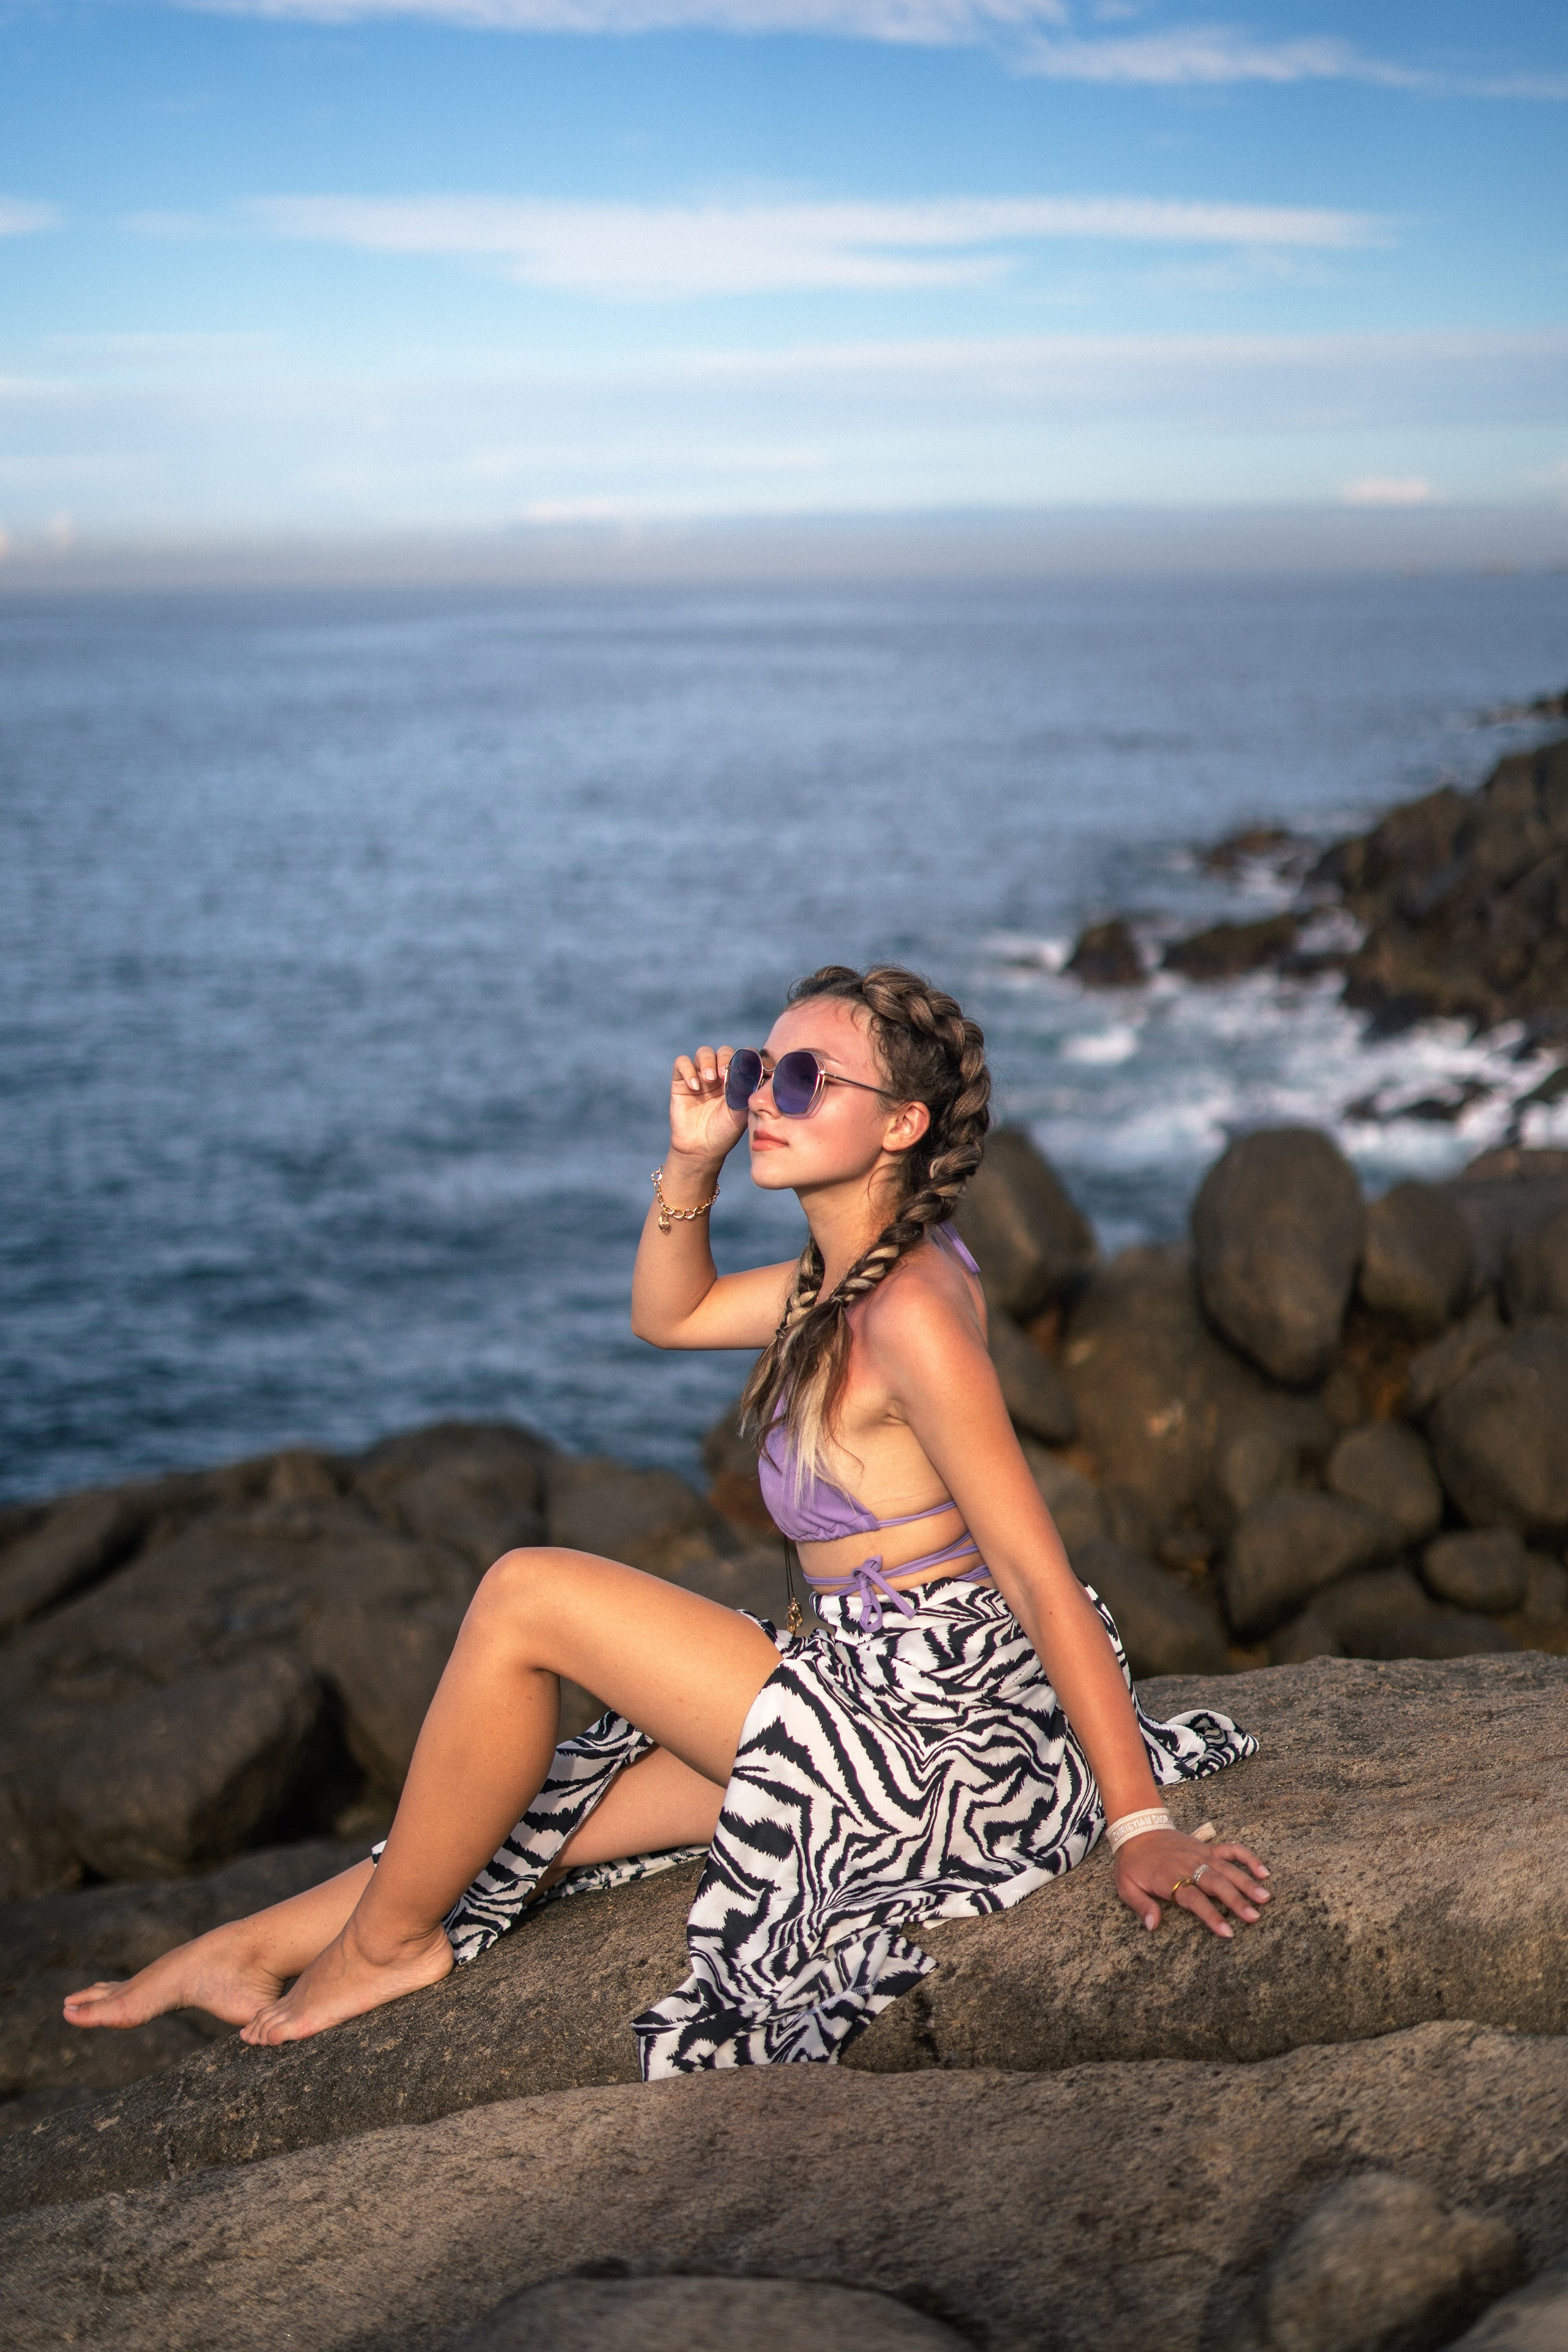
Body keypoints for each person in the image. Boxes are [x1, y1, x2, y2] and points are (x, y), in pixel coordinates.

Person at [64, 963, 1267, 2073]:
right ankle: (243, 1947)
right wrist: (691, 1163)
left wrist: (1139, 1828)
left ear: (901, 1125)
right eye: (760, 1071)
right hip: (864, 1690)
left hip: (930, 1735)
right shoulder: (839, 1279)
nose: (764, 1100)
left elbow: (1038, 1572)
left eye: (805, 1079)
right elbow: (670, 1316)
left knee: (525, 1593)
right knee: (543, 1810)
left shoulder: (909, 1314)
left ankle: (388, 1949)